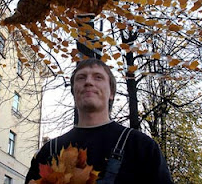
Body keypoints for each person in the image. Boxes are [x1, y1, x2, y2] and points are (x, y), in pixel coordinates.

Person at [25, 58, 173, 184]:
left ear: (112, 93)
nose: (88, 82)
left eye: (98, 77)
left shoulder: (141, 146)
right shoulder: (49, 152)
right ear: (73, 91)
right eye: (81, 77)